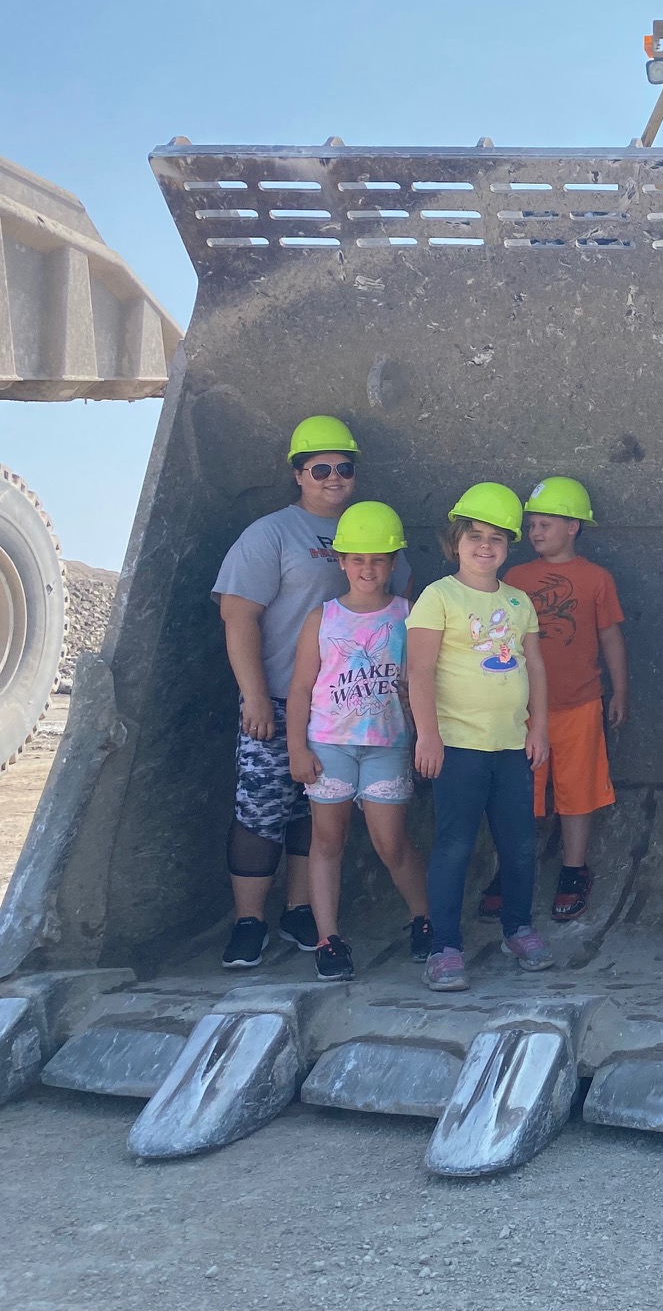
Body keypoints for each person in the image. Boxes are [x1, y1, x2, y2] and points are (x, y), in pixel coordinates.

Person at [212, 414, 411, 969]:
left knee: (313, 812)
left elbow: (405, 615)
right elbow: (238, 615)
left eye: (343, 468)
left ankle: (300, 911)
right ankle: (248, 921)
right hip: (279, 700)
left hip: (351, 709)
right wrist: (253, 696)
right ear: (298, 475)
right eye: (319, 468)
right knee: (261, 809)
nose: (332, 477)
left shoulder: (372, 531)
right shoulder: (271, 534)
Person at [408, 483, 551, 992]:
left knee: (519, 846)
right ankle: (445, 947)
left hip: (511, 747)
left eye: (496, 537)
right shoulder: (438, 596)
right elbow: (419, 671)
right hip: (458, 747)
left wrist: (540, 726)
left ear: (509, 545)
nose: (484, 546)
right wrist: (428, 736)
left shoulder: (518, 601)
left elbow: (534, 664)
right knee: (454, 846)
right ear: (456, 541)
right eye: (474, 536)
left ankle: (518, 929)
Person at [283, 500, 429, 980]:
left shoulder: (409, 615)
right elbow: (302, 687)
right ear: (341, 561)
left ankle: (424, 918)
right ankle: (329, 939)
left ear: (392, 564)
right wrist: (296, 749)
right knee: (328, 840)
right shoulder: (321, 619)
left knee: (391, 842)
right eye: (358, 559)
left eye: (378, 559)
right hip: (329, 744)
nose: (368, 568)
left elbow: (425, 681)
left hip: (388, 743)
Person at [485, 476, 627, 924]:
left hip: (581, 703)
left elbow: (610, 635)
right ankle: (510, 870)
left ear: (574, 527)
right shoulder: (513, 577)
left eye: (546, 524)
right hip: (520, 708)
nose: (535, 533)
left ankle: (573, 868)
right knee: (516, 793)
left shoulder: (596, 578)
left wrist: (620, 689)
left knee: (576, 790)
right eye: (531, 525)